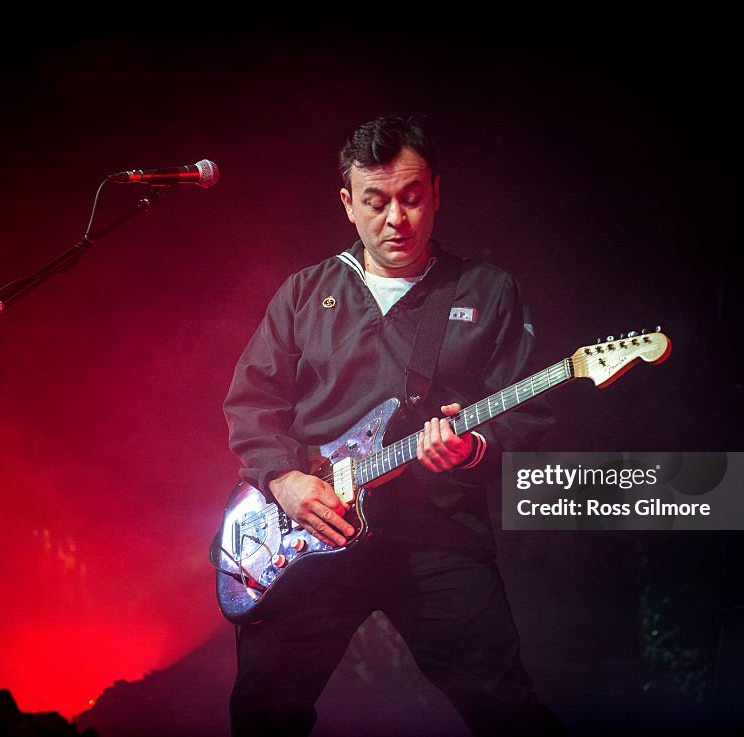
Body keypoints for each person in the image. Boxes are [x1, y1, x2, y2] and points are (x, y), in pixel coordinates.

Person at [223, 116, 566, 736]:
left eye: (411, 199)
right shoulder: (306, 292)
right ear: (348, 204)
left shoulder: (488, 292)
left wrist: (472, 449)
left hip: (439, 534)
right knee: (263, 713)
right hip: (312, 533)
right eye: (376, 202)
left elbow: (529, 408)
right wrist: (284, 481)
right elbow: (252, 402)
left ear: (436, 192)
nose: (396, 220)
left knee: (506, 710)